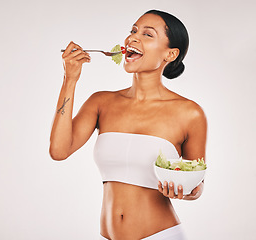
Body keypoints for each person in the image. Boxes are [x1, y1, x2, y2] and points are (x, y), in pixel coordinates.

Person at [49, 9, 207, 240]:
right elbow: (59, 150)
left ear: (170, 54)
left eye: (147, 34)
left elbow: (197, 182)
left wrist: (188, 192)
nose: (133, 38)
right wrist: (70, 79)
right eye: (133, 31)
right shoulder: (101, 102)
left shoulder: (190, 113)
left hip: (162, 235)